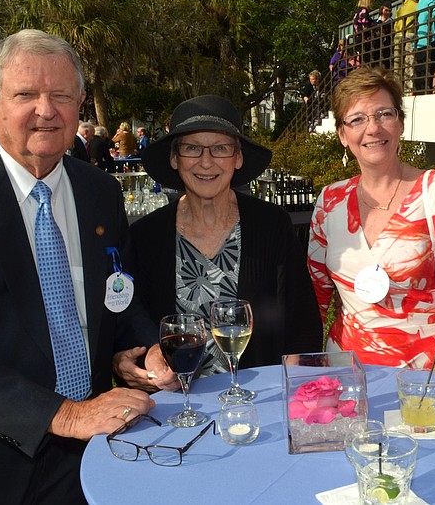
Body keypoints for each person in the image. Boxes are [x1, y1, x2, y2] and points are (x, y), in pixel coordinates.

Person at [0, 28, 178, 505]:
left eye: (61, 95)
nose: (46, 110)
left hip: (88, 456)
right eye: (26, 95)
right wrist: (66, 414)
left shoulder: (99, 192)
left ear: (79, 104)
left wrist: (143, 352)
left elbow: (119, 297)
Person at [131, 95, 323, 376]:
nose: (206, 162)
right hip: (179, 400)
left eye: (220, 148)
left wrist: (294, 386)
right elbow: (134, 323)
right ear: (174, 158)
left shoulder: (272, 225)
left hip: (259, 395)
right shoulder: (146, 236)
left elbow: (302, 323)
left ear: (238, 157)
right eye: (192, 148)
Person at [307, 67, 435, 373]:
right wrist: (312, 374)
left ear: (401, 123)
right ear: (342, 135)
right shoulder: (329, 201)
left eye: (384, 114)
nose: (373, 128)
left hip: (419, 379)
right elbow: (316, 299)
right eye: (357, 119)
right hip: (344, 375)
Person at [394, 0, 422, 95]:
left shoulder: (401, 8)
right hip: (409, 35)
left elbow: (395, 24)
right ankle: (407, 90)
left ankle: (396, 89)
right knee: (409, 64)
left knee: (397, 65)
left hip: (398, 36)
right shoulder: (417, 6)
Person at [353, 0, 376, 66]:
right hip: (365, 39)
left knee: (363, 59)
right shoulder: (364, 12)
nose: (373, 4)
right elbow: (365, 27)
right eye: (372, 2)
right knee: (367, 59)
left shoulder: (357, 12)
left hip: (358, 39)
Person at [375, 2, 394, 70]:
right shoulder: (375, 22)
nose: (387, 12)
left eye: (389, 11)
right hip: (377, 48)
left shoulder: (392, 22)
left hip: (387, 48)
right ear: (381, 10)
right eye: (386, 10)